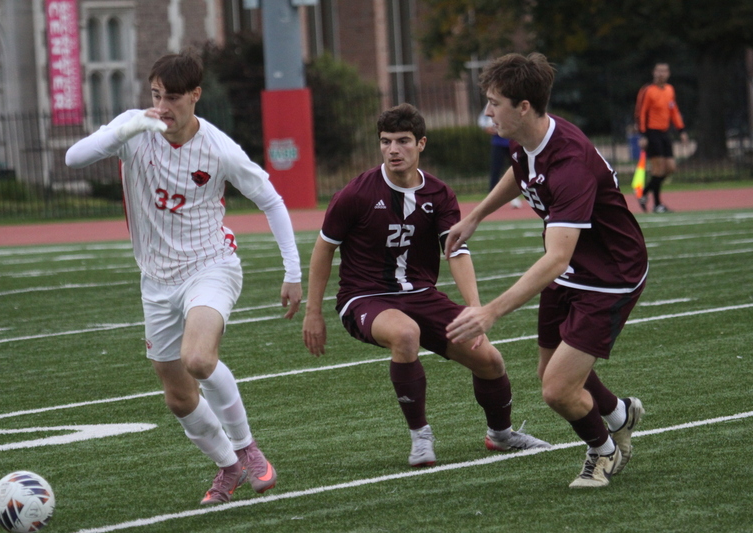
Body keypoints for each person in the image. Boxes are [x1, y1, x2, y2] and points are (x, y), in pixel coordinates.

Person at [65, 50, 302, 505]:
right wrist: (129, 127)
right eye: (155, 96)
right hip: (155, 281)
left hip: (209, 265)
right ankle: (228, 468)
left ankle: (247, 448)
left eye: (172, 98)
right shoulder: (135, 126)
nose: (162, 107)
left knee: (198, 359)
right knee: (178, 397)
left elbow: (271, 200)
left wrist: (292, 271)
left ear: (196, 95)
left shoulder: (219, 149)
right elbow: (75, 158)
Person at [302, 103, 550, 468]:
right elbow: (324, 249)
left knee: (490, 360)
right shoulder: (355, 194)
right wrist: (313, 313)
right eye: (385, 142)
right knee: (405, 334)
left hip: (421, 295)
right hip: (364, 296)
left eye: (402, 141)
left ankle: (501, 435)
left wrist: (475, 308)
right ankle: (420, 437)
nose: (393, 150)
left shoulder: (438, 194)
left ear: (421, 144)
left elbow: (457, 250)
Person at [444, 53, 647, 488]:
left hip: (609, 275)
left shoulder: (569, 164)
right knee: (550, 370)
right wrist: (475, 216)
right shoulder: (526, 138)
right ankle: (618, 413)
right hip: (574, 267)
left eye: (494, 102)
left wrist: (491, 311)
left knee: (556, 390)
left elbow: (555, 257)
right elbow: (520, 174)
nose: (487, 112)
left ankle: (604, 451)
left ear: (523, 106)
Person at [634, 62, 688, 213]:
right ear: (653, 72)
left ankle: (644, 193)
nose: (661, 74)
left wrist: (681, 130)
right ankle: (657, 205)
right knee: (658, 169)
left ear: (668, 73)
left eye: (664, 71)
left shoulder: (670, 90)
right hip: (651, 133)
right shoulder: (647, 90)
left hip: (664, 133)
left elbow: (674, 111)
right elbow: (640, 113)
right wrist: (643, 134)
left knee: (670, 168)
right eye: (658, 71)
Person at [478, 107, 522, 208]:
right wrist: (486, 128)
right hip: (498, 143)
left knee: (518, 170)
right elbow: (482, 120)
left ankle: (517, 196)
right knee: (495, 170)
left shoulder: (512, 105)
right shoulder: (491, 106)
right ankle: (491, 199)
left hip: (513, 143)